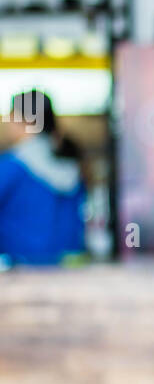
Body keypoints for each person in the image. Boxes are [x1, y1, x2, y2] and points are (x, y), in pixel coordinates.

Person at [0, 90, 87, 265]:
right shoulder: (70, 162)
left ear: (25, 121)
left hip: (19, 267)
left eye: (11, 116)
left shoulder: (11, 167)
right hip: (70, 265)